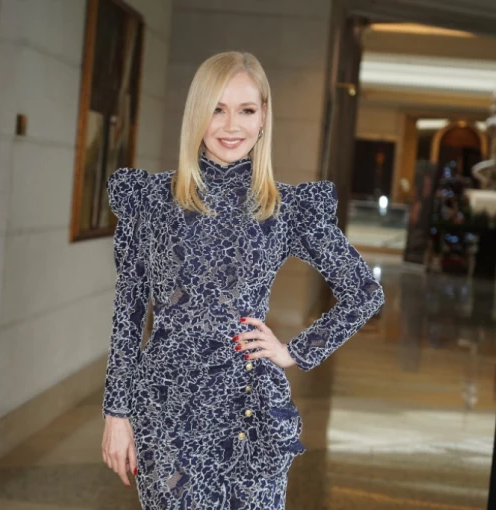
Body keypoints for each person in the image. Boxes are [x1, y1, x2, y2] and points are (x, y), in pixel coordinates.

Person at [101, 51, 384, 509]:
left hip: (250, 415)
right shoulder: (150, 200)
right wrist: (116, 413)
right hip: (167, 412)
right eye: (217, 109)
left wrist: (295, 352)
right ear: (197, 113)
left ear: (264, 116)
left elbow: (364, 292)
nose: (231, 126)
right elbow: (128, 314)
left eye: (246, 110)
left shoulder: (286, 208)